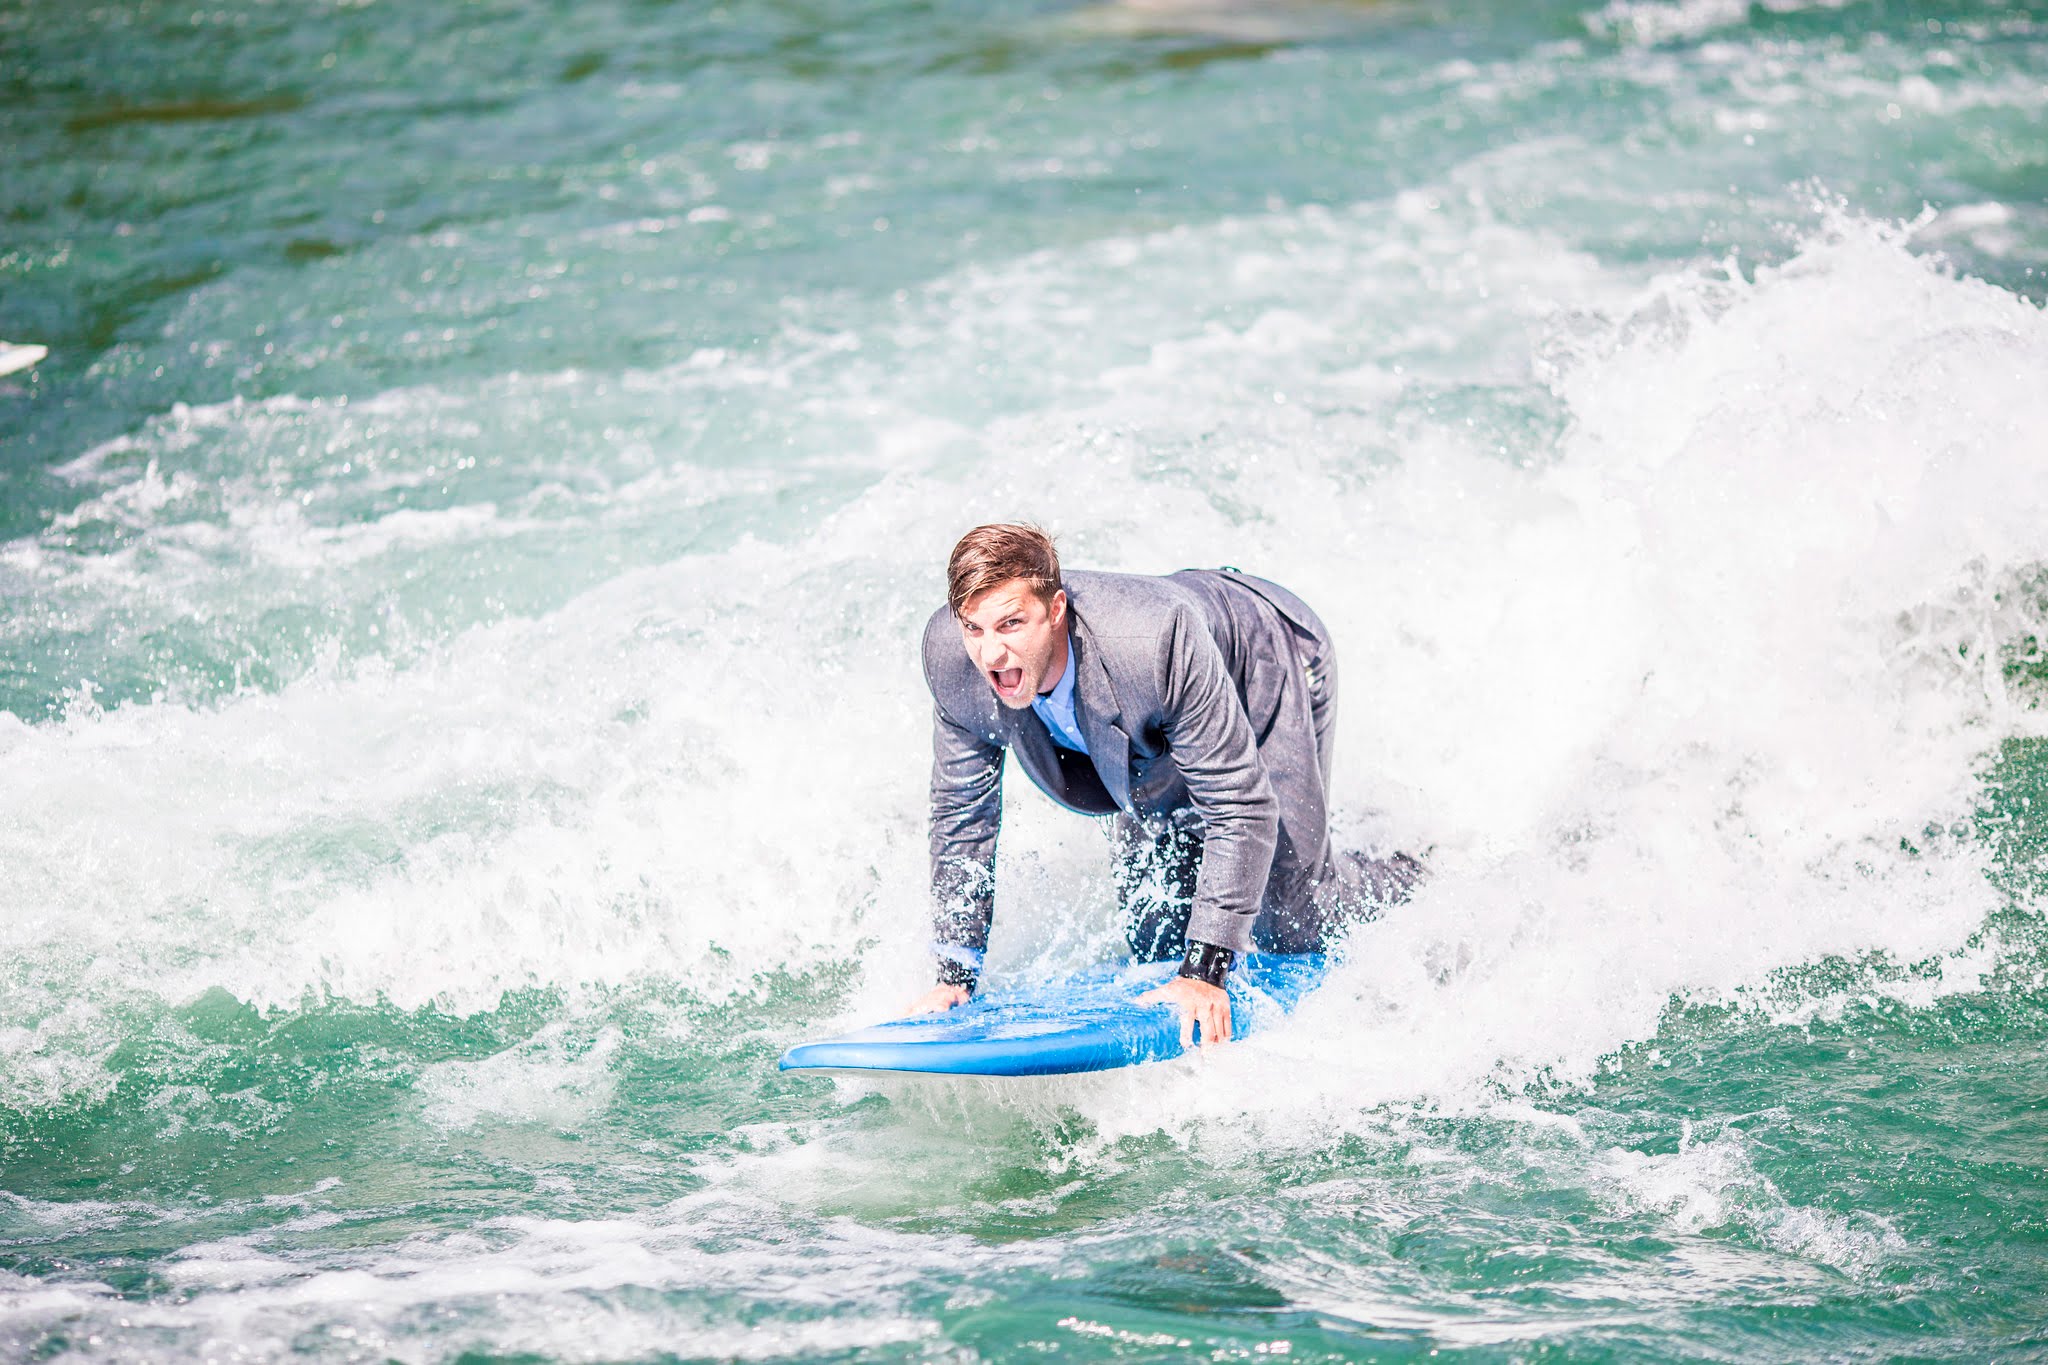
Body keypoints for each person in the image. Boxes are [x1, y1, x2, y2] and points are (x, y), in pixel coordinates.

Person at [908, 523, 1423, 1044]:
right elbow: (962, 817)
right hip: (1157, 721)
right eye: (974, 628)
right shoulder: (953, 660)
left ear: (1056, 610)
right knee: (1154, 939)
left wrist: (1203, 975)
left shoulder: (1153, 641)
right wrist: (955, 975)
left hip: (1264, 655)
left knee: (1291, 915)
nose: (990, 654)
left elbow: (1241, 805)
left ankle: (1416, 873)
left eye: (1012, 624)